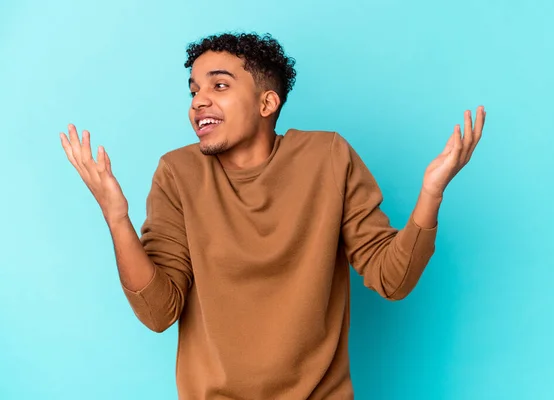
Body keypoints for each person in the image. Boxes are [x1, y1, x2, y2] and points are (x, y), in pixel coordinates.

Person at [60, 32, 485, 400]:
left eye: (219, 85)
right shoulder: (178, 172)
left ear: (267, 102)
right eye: (192, 91)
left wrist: (431, 193)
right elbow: (158, 312)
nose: (199, 101)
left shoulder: (328, 157)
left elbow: (392, 278)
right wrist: (116, 218)